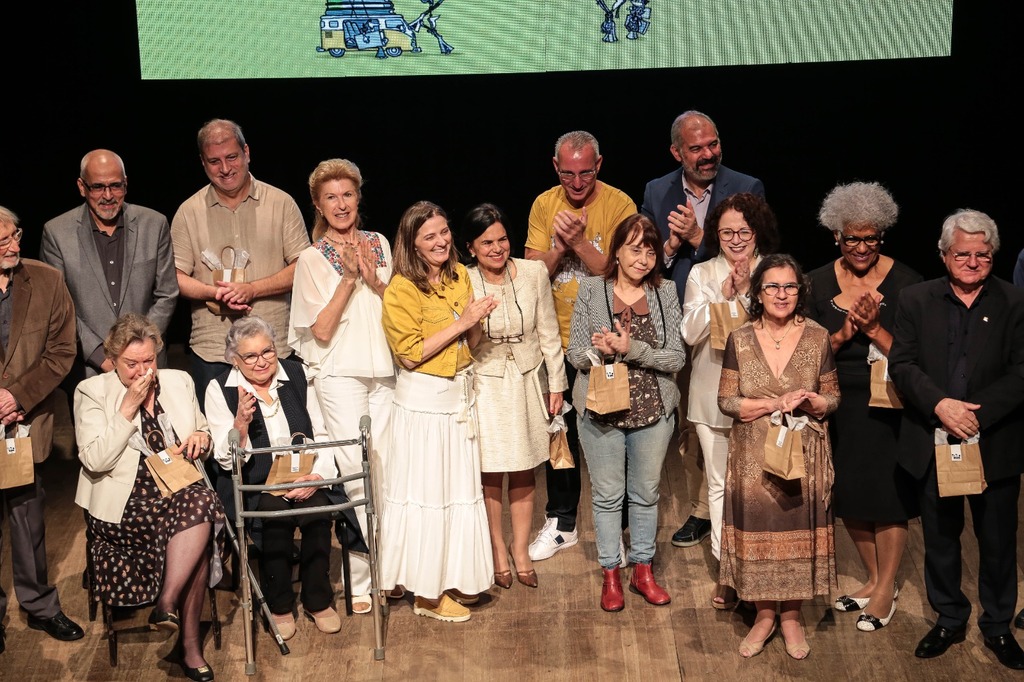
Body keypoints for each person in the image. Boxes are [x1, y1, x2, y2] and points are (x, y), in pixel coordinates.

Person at [889, 209, 1024, 670]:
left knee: (999, 542)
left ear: (993, 256)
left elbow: (1021, 371)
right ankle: (949, 618)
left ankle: (998, 626)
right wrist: (941, 405)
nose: (972, 262)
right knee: (941, 538)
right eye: (963, 254)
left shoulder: (1015, 301)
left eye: (982, 255)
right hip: (934, 438)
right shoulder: (915, 299)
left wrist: (973, 415)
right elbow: (902, 364)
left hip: (994, 440)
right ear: (944, 255)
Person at [640, 110, 765, 551]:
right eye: (696, 148)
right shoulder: (657, 191)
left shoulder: (746, 186)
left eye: (713, 144)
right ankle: (702, 509)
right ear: (677, 152)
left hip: (743, 323)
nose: (708, 154)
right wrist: (672, 245)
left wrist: (697, 237)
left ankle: (746, 513)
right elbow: (645, 258)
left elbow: (750, 246)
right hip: (684, 319)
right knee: (694, 421)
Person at [74, 314, 222, 681]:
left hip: (179, 490)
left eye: (149, 360)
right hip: (125, 503)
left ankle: (167, 604)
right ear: (112, 359)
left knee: (200, 503)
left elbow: (202, 431)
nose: (143, 370)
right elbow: (95, 460)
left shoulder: (179, 381)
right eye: (132, 363)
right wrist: (127, 408)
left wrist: (202, 439)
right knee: (199, 520)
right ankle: (189, 646)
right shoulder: (92, 392)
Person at [806, 181, 922, 632]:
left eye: (870, 238)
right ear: (836, 235)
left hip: (889, 401)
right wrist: (842, 335)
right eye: (851, 238)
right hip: (839, 402)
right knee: (849, 492)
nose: (860, 247)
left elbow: (917, 358)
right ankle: (875, 579)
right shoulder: (816, 282)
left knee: (888, 497)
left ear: (882, 236)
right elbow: (806, 353)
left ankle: (885, 588)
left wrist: (874, 330)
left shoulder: (908, 284)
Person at [380, 201, 498, 622]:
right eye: (429, 236)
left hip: (457, 399)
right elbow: (410, 355)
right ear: (412, 244)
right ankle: (426, 594)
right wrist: (462, 321)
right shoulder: (401, 290)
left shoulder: (459, 275)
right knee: (428, 497)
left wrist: (476, 320)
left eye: (444, 232)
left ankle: (451, 578)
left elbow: (472, 342)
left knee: (455, 495)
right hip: (423, 407)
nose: (441, 241)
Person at [717, 253, 839, 660]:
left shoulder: (818, 337)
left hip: (803, 452)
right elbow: (726, 400)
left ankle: (792, 617)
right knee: (759, 529)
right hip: (753, 453)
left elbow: (833, 397)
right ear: (758, 292)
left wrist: (813, 402)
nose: (782, 294)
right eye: (772, 286)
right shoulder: (740, 338)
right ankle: (764, 614)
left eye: (790, 286)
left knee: (797, 527)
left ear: (800, 291)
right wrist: (772, 405)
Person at [288, 158, 394, 613]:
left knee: (386, 472)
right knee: (354, 473)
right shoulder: (312, 259)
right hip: (340, 375)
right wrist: (350, 280)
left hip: (385, 370)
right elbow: (322, 329)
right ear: (318, 204)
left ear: (358, 196)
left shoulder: (379, 242)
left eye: (347, 194)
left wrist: (374, 278)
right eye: (330, 197)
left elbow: (399, 305)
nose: (341, 204)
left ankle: (391, 571)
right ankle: (361, 581)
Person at [524, 130, 636, 562]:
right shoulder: (544, 204)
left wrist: (579, 243)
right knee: (560, 431)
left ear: (599, 165)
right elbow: (532, 273)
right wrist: (558, 246)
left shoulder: (620, 204)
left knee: (612, 433)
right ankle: (562, 522)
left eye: (585, 173)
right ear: (556, 167)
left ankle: (617, 529)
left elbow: (623, 271)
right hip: (556, 339)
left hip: (604, 340)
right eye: (567, 174)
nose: (576, 182)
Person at [566, 214, 685, 611]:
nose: (643, 259)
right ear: (616, 251)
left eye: (650, 251)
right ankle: (611, 574)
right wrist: (599, 351)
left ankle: (643, 570)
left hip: (652, 410)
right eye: (635, 250)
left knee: (646, 493)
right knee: (607, 495)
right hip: (601, 409)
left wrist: (632, 349)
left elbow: (676, 357)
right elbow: (575, 354)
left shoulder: (665, 291)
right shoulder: (591, 289)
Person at [206, 316, 344, 639]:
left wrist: (316, 476)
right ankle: (279, 606)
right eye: (250, 356)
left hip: (304, 476)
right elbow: (226, 461)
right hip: (256, 484)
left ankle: (318, 600)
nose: (261, 361)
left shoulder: (297, 374)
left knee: (318, 512)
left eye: (267, 351)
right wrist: (240, 423)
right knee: (275, 516)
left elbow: (322, 434)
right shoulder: (220, 389)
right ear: (234, 360)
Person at [680, 192, 779, 608]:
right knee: (720, 484)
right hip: (711, 395)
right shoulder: (702, 273)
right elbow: (689, 333)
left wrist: (748, 291)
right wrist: (722, 295)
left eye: (744, 231)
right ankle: (728, 572)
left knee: (759, 487)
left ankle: (762, 567)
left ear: (757, 232)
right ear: (715, 235)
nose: (736, 239)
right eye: (726, 233)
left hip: (765, 397)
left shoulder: (774, 271)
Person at [171, 118, 310, 410]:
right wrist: (215, 293)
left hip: (274, 349)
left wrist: (253, 289)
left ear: (247, 152)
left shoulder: (281, 203)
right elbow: (175, 276)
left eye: (232, 157)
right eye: (214, 161)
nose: (225, 168)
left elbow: (304, 266)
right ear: (203, 163)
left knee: (283, 431)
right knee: (221, 435)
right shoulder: (188, 212)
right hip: (214, 350)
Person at [463, 203, 566, 589]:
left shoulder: (534, 272)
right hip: (486, 379)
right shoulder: (463, 279)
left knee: (524, 466)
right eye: (486, 242)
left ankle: (520, 549)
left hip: (526, 377)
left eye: (502, 239)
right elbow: (465, 338)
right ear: (471, 247)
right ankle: (496, 549)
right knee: (491, 469)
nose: (497, 248)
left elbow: (549, 331)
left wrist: (556, 384)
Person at [0, 206, 83, 651]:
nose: (14, 246)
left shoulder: (47, 280)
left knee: (28, 519)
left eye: (15, 235)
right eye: (3, 241)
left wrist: (16, 397)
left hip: (24, 423)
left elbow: (62, 351)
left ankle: (39, 606)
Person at [41, 149, 178, 383]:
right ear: (82, 187)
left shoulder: (154, 224)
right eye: (98, 187)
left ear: (126, 184)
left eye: (115, 186)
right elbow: (59, 308)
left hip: (147, 365)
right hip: (91, 370)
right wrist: (101, 357)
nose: (108, 195)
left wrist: (139, 352)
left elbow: (167, 294)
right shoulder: (57, 233)